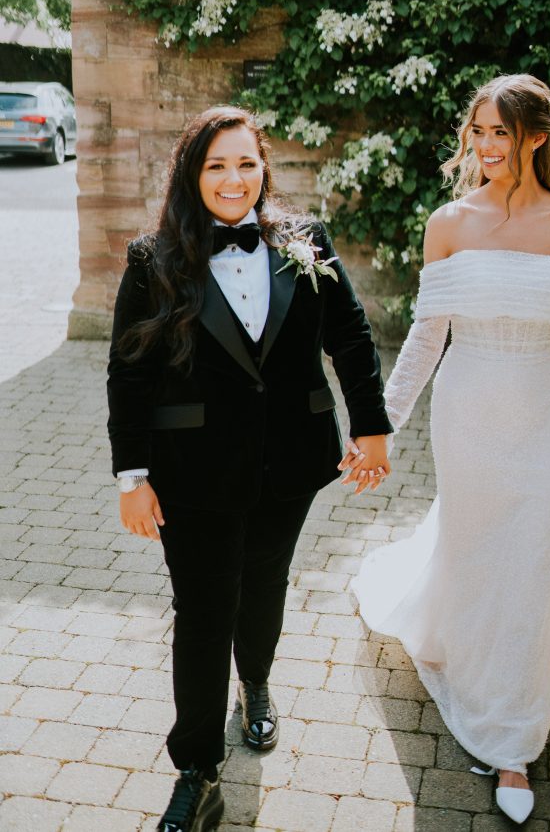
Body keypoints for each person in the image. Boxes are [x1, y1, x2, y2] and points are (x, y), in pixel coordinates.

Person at [347, 74, 550, 824]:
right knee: (475, 548)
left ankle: (512, 742)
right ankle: (470, 655)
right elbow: (425, 338)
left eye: (501, 131)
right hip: (466, 411)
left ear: (537, 136)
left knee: (531, 559)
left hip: (544, 413)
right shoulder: (447, 222)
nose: (486, 145)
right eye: (478, 130)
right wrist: (380, 425)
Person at [107, 105, 391, 832]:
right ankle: (198, 769)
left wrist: (371, 426)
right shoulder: (153, 259)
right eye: (216, 165)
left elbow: (352, 337)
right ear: (191, 174)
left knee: (264, 585)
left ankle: (256, 684)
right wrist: (131, 476)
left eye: (246, 163)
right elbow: (128, 374)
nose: (234, 179)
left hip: (291, 463)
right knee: (204, 612)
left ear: (264, 167)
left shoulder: (305, 242)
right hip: (191, 474)